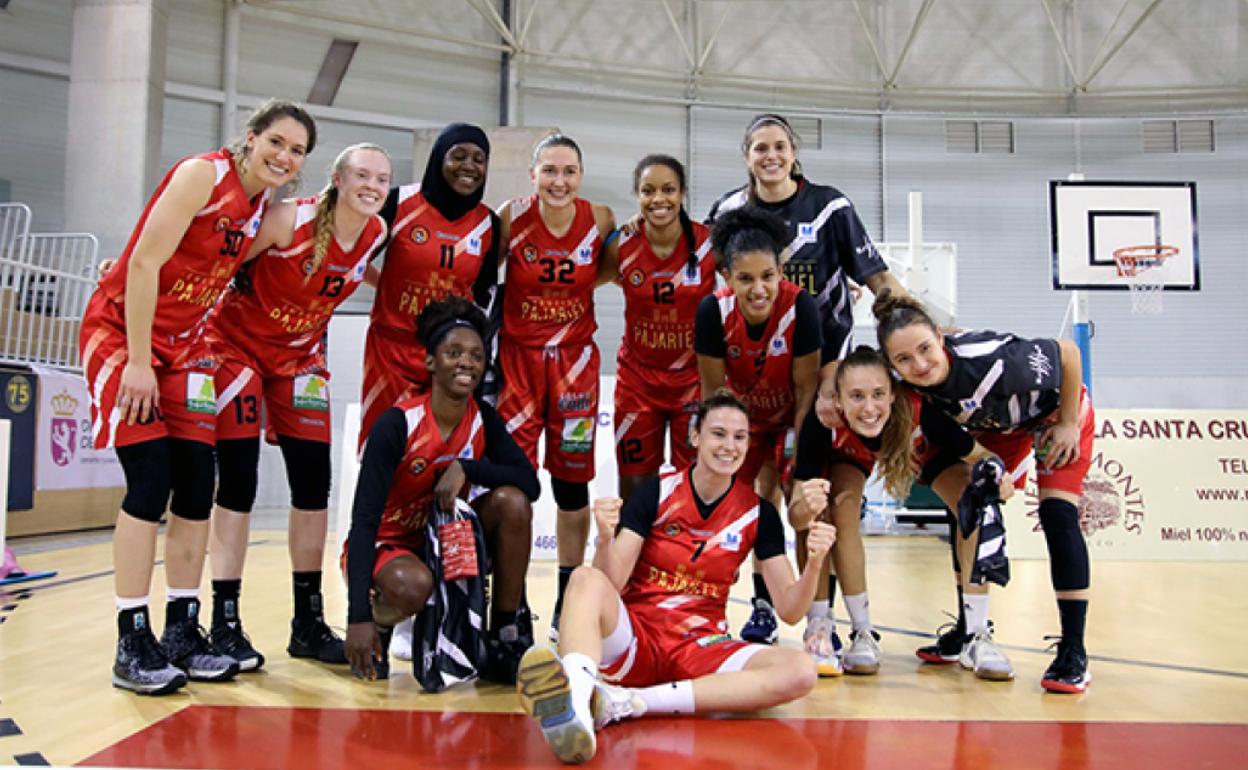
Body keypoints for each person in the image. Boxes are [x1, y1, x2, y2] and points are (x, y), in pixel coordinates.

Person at [80, 99, 316, 695]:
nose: (285, 157)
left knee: (196, 484)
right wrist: (136, 361)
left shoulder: (263, 205)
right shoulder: (201, 175)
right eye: (278, 142)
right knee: (151, 480)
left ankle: (182, 629)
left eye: (297, 151)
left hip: (186, 345)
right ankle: (131, 638)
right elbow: (143, 263)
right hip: (123, 334)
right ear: (252, 136)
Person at [515, 391, 836, 764]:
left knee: (800, 671)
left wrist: (814, 563)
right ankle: (579, 701)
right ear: (695, 437)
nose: (729, 446)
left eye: (739, 437)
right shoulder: (656, 491)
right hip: (638, 640)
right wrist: (604, 539)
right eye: (718, 434)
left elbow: (791, 611)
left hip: (701, 646)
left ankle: (617, 704)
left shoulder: (757, 513)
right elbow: (611, 582)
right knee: (585, 578)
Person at [707, 113, 910, 653]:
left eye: (778, 146)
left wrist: (916, 321)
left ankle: (833, 621)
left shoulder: (831, 207)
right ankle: (761, 604)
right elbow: (706, 283)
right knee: (757, 496)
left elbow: (877, 277)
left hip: (824, 381)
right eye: (758, 148)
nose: (770, 156)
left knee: (819, 497)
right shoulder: (727, 212)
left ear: (793, 152)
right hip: (751, 378)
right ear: (745, 156)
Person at [203, 143, 392, 672]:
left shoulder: (375, 234)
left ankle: (307, 622)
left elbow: (374, 275)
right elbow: (219, 261)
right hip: (234, 347)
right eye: (361, 174)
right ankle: (225, 620)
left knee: (313, 486)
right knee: (237, 482)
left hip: (300, 359)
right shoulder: (289, 219)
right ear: (337, 177)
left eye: (381, 177)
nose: (371, 184)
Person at [873, 291, 1094, 693]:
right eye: (904, 359)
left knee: (1058, 516)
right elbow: (941, 430)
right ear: (892, 364)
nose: (919, 365)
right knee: (969, 506)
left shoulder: (993, 361)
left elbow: (1066, 352)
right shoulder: (910, 389)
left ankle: (1074, 652)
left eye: (925, 349)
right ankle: (971, 628)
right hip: (994, 428)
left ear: (940, 338)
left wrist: (1066, 423)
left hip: (1051, 414)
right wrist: (985, 461)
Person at [344, 297, 539, 682]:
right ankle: (382, 623)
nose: (466, 362)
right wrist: (358, 618)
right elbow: (363, 521)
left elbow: (529, 484)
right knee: (416, 585)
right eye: (453, 353)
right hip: (391, 547)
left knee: (513, 504)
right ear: (431, 362)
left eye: (475, 355)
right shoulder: (397, 424)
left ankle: (501, 637)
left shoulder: (483, 418)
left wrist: (466, 468)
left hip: (447, 540)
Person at [789, 345, 1006, 676]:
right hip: (851, 456)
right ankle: (839, 629)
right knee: (832, 507)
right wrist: (804, 508)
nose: (869, 407)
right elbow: (795, 513)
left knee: (976, 501)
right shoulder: (823, 423)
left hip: (921, 454)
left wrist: (997, 474)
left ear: (893, 395)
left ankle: (977, 635)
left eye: (878, 394)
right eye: (857, 396)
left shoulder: (918, 411)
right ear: (838, 400)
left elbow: (980, 455)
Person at [494, 133, 617, 637]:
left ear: (581, 176)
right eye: (549, 171)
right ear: (533, 175)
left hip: (573, 366)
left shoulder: (601, 219)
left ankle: (569, 600)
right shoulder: (511, 217)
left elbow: (608, 273)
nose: (559, 181)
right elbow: (484, 275)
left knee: (572, 484)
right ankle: (512, 600)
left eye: (568, 171)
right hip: (518, 363)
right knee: (513, 484)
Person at [693, 206, 820, 650]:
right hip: (741, 424)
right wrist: (725, 454)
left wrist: (802, 466)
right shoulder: (711, 311)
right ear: (727, 276)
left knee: (804, 511)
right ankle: (741, 610)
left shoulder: (802, 306)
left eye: (767, 275)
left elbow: (807, 393)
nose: (758, 288)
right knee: (733, 511)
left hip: (789, 419)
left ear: (781, 271)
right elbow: (713, 396)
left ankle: (819, 624)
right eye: (745, 279)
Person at [359, 122, 501, 446]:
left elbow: (484, 293)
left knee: (441, 450)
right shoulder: (399, 203)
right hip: (390, 352)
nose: (469, 166)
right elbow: (354, 255)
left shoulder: (488, 223)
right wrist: (383, 286)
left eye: (479, 159)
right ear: (439, 158)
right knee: (385, 448)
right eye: (459, 155)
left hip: (449, 360)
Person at [610, 155, 716, 501]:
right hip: (638, 382)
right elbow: (580, 284)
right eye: (648, 190)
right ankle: (633, 554)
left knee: (691, 480)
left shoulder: (708, 244)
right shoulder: (622, 244)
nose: (659, 199)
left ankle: (680, 553)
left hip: (691, 381)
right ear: (637, 196)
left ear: (682, 193)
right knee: (635, 483)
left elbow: (747, 289)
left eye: (668, 189)